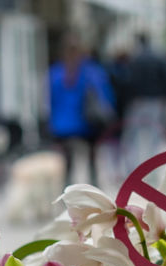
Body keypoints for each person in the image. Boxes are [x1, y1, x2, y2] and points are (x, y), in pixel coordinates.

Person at [48, 35, 115, 187]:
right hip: (87, 125)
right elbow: (106, 96)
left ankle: (67, 194)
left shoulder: (55, 73)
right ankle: (94, 192)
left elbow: (50, 101)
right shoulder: (92, 71)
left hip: (62, 126)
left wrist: (51, 124)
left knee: (67, 165)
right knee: (92, 162)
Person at [119, 32, 166, 175]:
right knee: (154, 138)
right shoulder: (158, 57)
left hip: (137, 102)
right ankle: (152, 171)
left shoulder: (135, 59)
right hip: (155, 101)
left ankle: (134, 171)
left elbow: (128, 81)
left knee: (133, 139)